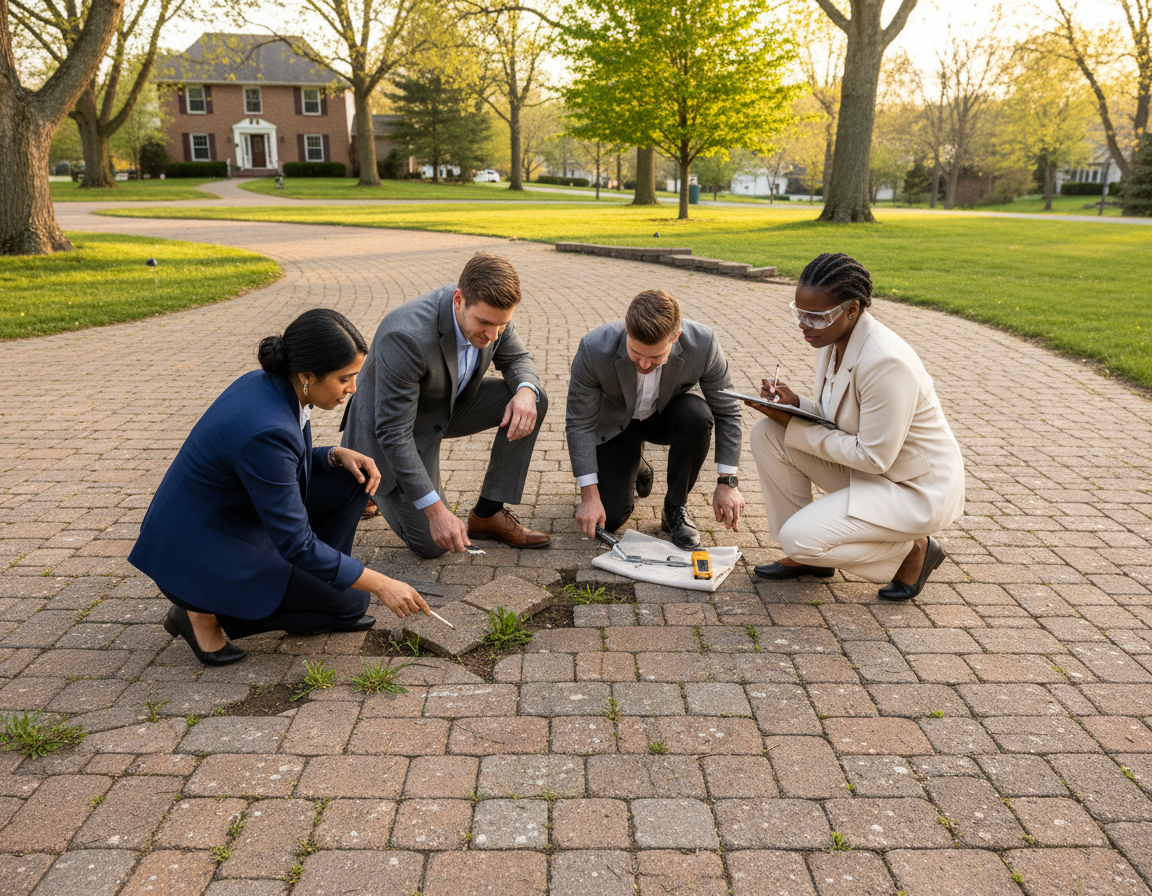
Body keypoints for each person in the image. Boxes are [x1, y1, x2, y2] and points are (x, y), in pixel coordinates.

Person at [128, 309, 430, 666]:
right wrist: (381, 583)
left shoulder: (268, 385)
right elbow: (295, 540)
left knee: (352, 477)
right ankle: (199, 612)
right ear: (307, 375)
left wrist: (333, 454)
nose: (353, 389)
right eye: (345, 378)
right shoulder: (267, 428)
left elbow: (270, 467)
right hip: (203, 553)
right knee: (353, 602)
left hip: (228, 521)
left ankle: (316, 586)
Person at [747, 253, 965, 600]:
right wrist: (797, 405)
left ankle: (914, 551)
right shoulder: (833, 338)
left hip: (912, 488)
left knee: (798, 536)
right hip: (876, 471)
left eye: (815, 316)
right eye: (799, 312)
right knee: (769, 434)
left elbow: (873, 456)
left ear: (852, 310)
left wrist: (795, 425)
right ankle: (812, 560)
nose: (804, 324)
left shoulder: (886, 362)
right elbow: (844, 416)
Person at [341, 252, 550, 558]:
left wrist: (526, 392)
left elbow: (518, 359)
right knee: (432, 544)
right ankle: (368, 485)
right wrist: (437, 512)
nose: (493, 336)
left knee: (533, 397)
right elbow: (393, 433)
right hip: (392, 430)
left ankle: (488, 514)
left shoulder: (491, 312)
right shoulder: (406, 336)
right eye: (484, 324)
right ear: (458, 299)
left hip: (444, 407)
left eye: (501, 325)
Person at [567, 289, 745, 551]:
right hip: (618, 423)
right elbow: (579, 423)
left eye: (656, 357)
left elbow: (728, 410)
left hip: (667, 417)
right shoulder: (594, 349)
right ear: (627, 329)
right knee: (610, 519)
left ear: (676, 337)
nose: (645, 365)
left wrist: (727, 481)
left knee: (698, 416)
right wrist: (588, 495)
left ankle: (674, 507)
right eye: (636, 354)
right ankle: (637, 465)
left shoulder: (704, 344)